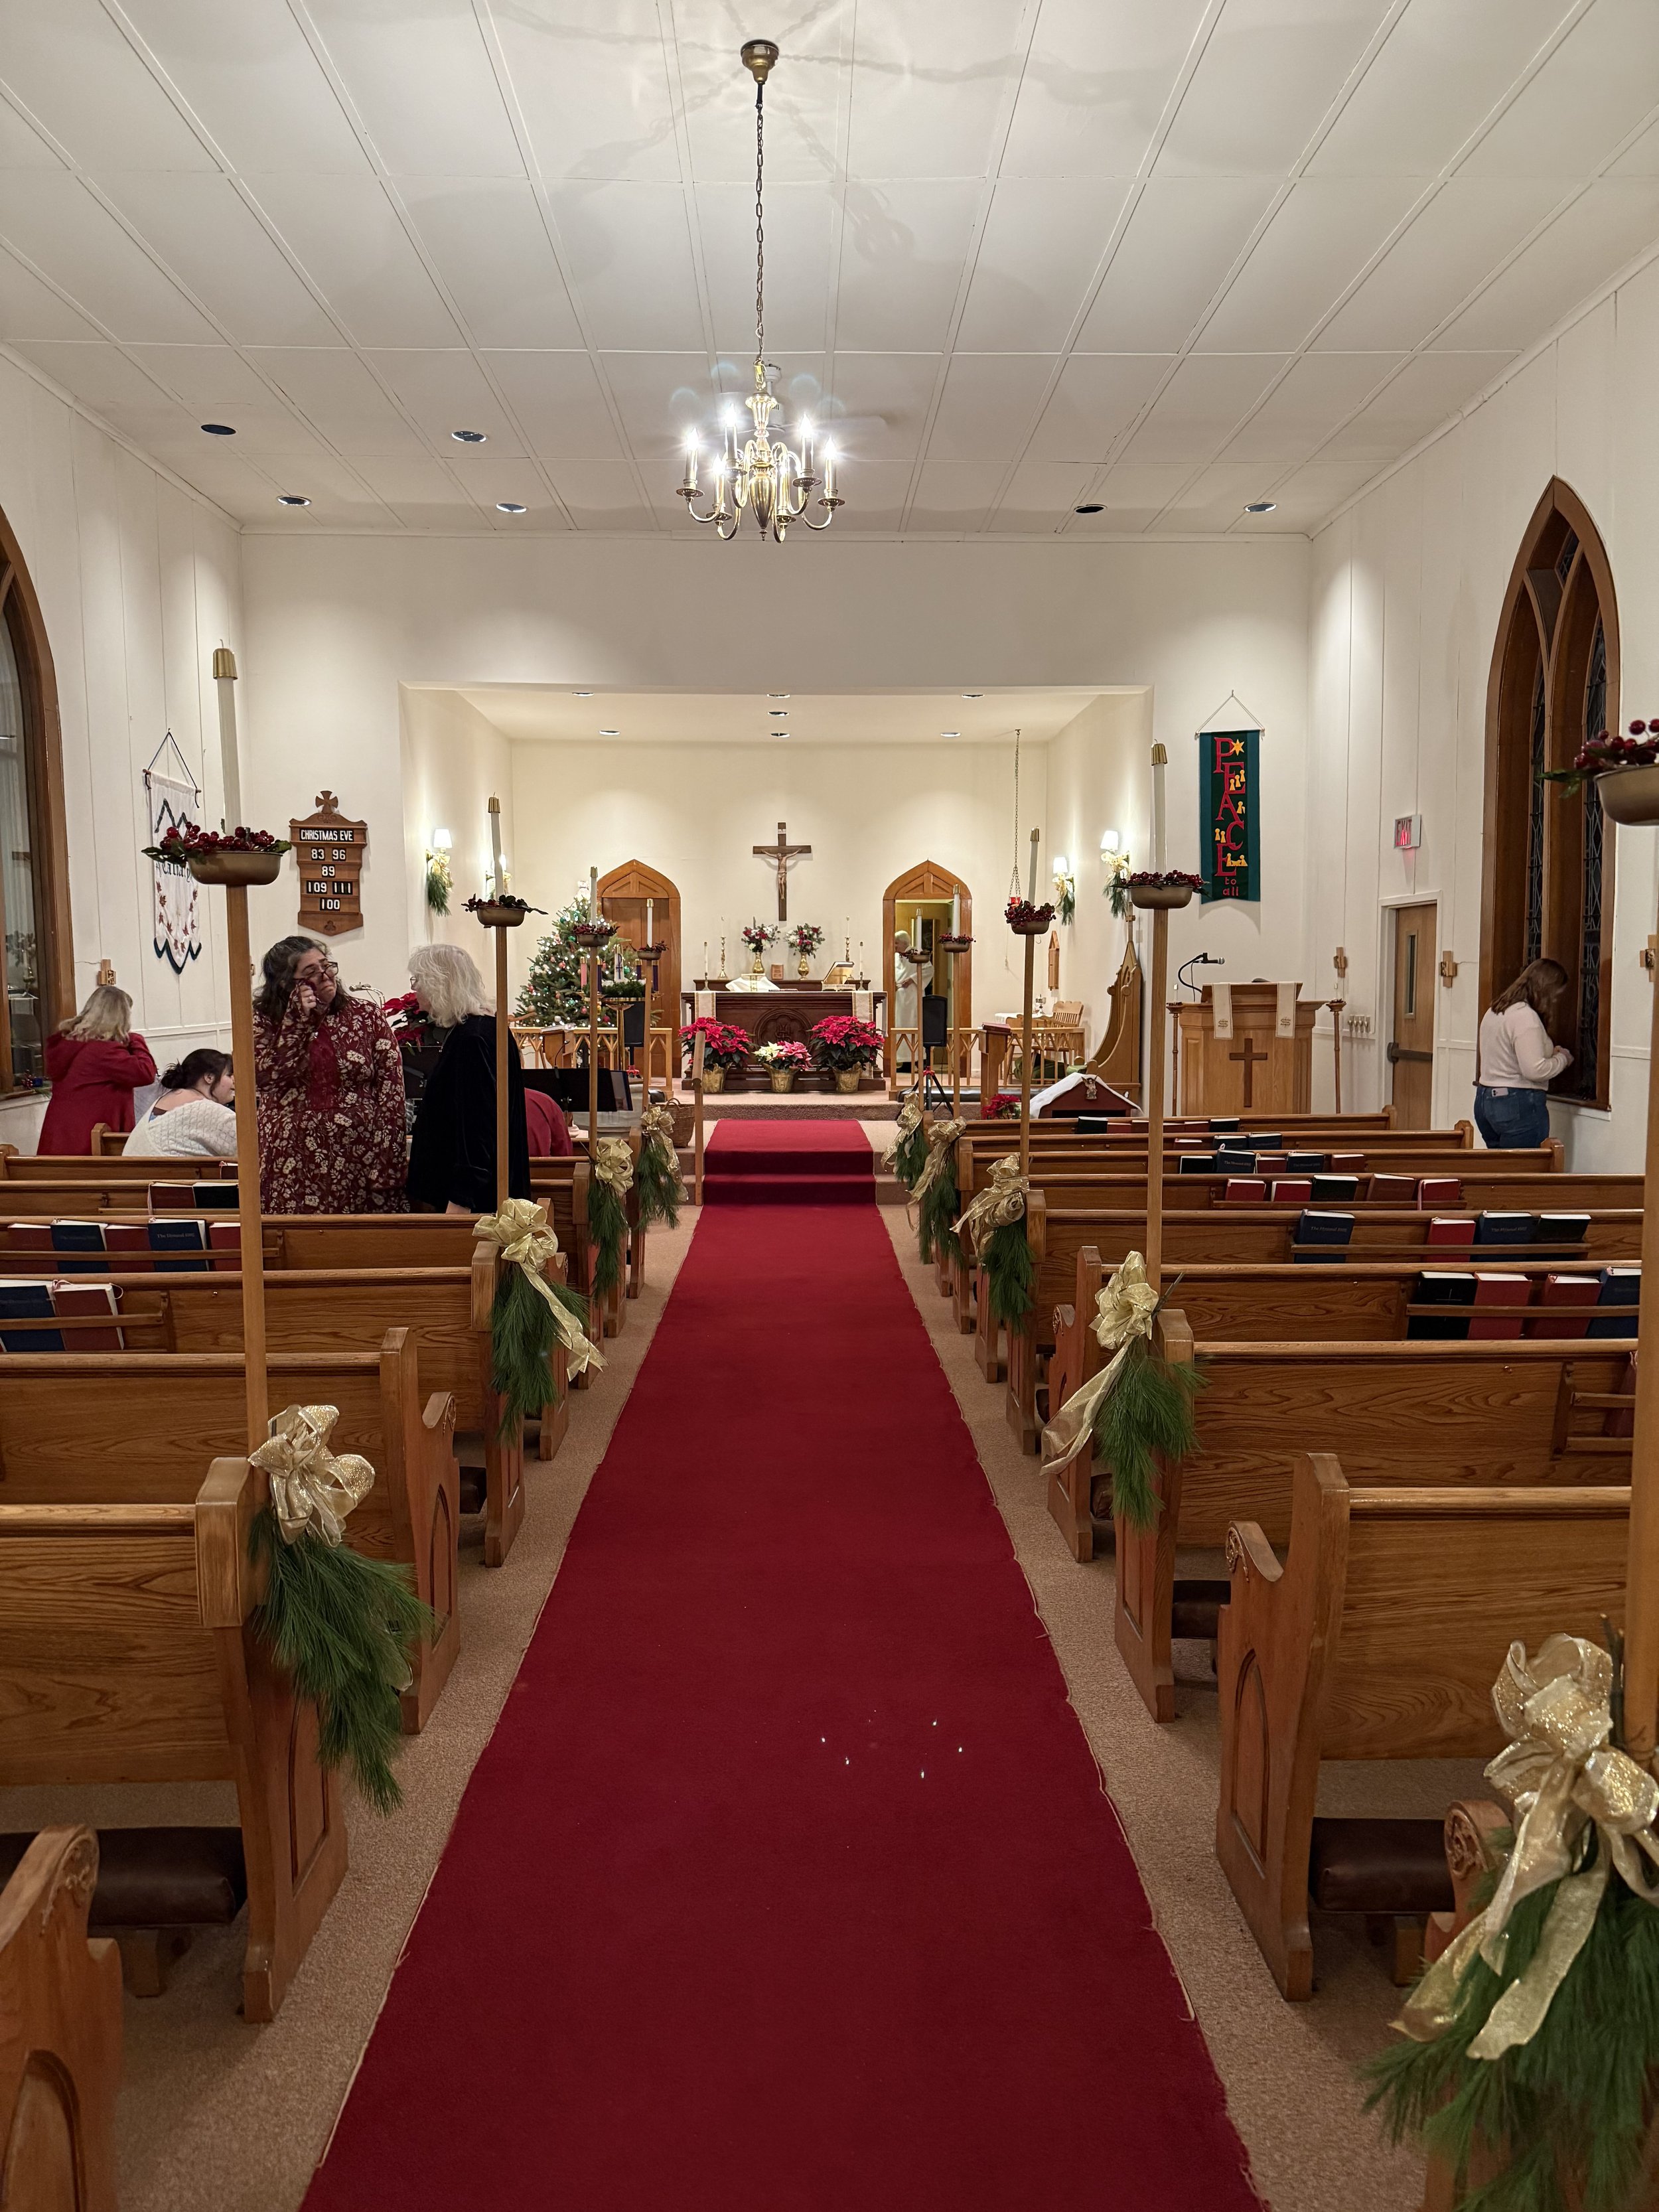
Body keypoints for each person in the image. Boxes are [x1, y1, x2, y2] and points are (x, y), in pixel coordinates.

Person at [253, 936, 407, 1213]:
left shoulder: (366, 1015)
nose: (325, 975)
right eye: (311, 972)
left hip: (360, 1156)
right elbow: (266, 1078)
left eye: (327, 966)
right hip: (293, 1161)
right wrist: (298, 1022)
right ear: (287, 984)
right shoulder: (264, 1019)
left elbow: (391, 1090)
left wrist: (387, 1160)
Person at [405, 944, 530, 1213]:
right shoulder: (488, 1027)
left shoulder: (472, 1039)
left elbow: (477, 1124)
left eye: (418, 980)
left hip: (474, 1203)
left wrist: (461, 1200)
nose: (415, 989)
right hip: (482, 1193)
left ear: (439, 983)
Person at [37, 985, 157, 1153]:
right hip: (88, 1139)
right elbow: (145, 1072)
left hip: (61, 1135)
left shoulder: (69, 1044)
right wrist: (136, 1039)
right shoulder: (103, 1051)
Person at [1475, 957, 1571, 1147]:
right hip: (1516, 1103)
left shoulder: (1495, 1010)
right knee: (1526, 1165)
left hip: (1485, 1099)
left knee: (1499, 1165)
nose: (1554, 1000)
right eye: (1555, 995)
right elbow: (1534, 1070)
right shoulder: (1526, 1017)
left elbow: (1508, 1054)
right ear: (1545, 989)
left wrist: (1549, 1052)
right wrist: (1563, 1059)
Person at [126, 1047, 238, 1158]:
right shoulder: (208, 1111)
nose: (234, 1080)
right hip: (162, 1169)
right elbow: (246, 1145)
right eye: (229, 1075)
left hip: (133, 1167)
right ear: (209, 1077)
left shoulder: (168, 1098)